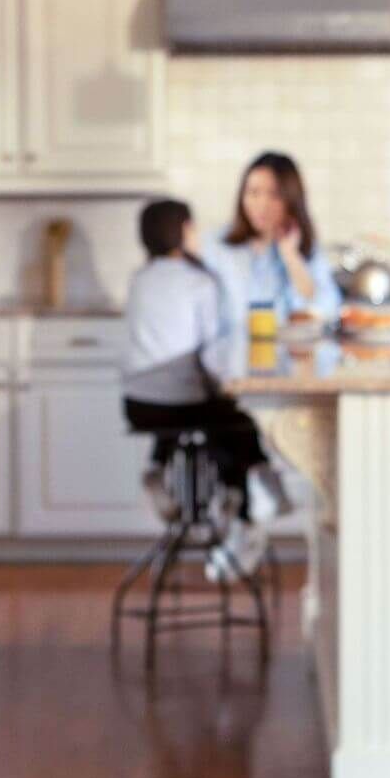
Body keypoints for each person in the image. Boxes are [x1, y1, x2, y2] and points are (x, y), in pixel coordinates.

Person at [122, 198, 287, 581]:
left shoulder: (138, 280)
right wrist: (228, 384)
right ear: (182, 232)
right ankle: (248, 503)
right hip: (181, 404)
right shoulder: (200, 282)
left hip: (137, 405)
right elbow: (213, 352)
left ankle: (159, 468)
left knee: (188, 407)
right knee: (233, 419)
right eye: (193, 228)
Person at [199, 152, 344, 331]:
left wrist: (291, 256)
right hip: (230, 355)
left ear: (291, 200)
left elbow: (328, 309)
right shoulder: (216, 244)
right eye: (253, 193)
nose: (262, 204)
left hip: (288, 355)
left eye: (274, 195)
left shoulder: (306, 250)